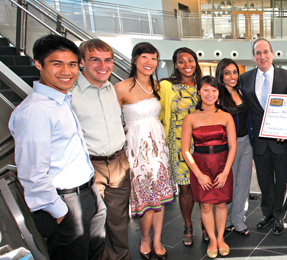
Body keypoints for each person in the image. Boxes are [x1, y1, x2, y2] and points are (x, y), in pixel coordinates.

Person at [9, 34, 106, 260]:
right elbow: (32, 173)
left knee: (93, 253)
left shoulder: (61, 101)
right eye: (57, 64)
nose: (66, 71)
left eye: (72, 64)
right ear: (38, 64)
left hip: (85, 193)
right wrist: (61, 212)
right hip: (64, 202)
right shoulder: (35, 111)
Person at [70, 39, 131, 260]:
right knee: (93, 223)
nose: (102, 65)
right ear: (82, 62)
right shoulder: (70, 93)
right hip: (89, 165)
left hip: (117, 162)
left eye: (108, 60)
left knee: (118, 220)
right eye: (95, 60)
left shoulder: (111, 89)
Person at [115, 42, 176, 260]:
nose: (149, 63)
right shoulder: (121, 88)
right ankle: (145, 239)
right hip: (136, 152)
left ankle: (158, 240)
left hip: (158, 150)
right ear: (134, 60)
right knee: (145, 200)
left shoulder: (158, 87)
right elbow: (112, 122)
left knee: (159, 199)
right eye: (144, 57)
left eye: (153, 58)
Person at [239, 38, 287, 234]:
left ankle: (279, 216)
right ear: (254, 57)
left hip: (281, 141)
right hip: (259, 143)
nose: (262, 56)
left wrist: (286, 130)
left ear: (273, 53)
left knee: (282, 181)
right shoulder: (244, 79)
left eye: (265, 52)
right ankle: (267, 213)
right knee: (264, 181)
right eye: (258, 53)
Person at [181, 75, 237, 258]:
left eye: (213, 90)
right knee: (205, 206)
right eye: (205, 90)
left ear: (218, 93)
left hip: (222, 164)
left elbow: (233, 146)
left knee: (221, 204)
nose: (210, 94)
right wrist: (198, 175)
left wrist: (226, 172)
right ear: (199, 92)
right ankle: (212, 239)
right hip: (201, 165)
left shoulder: (226, 116)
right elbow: (185, 150)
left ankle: (221, 238)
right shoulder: (190, 118)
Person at [158, 47, 204, 245]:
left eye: (190, 60)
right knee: (185, 188)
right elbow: (159, 114)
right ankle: (188, 226)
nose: (187, 65)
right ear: (175, 64)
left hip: (203, 143)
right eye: (182, 61)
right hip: (178, 143)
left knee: (204, 187)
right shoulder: (167, 86)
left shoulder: (203, 85)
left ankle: (205, 224)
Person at [215, 58, 253, 236]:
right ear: (221, 75)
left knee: (243, 184)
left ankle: (238, 219)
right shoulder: (217, 96)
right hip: (229, 147)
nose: (232, 76)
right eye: (227, 73)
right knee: (229, 184)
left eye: (235, 72)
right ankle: (226, 220)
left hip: (246, 143)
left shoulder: (241, 91)